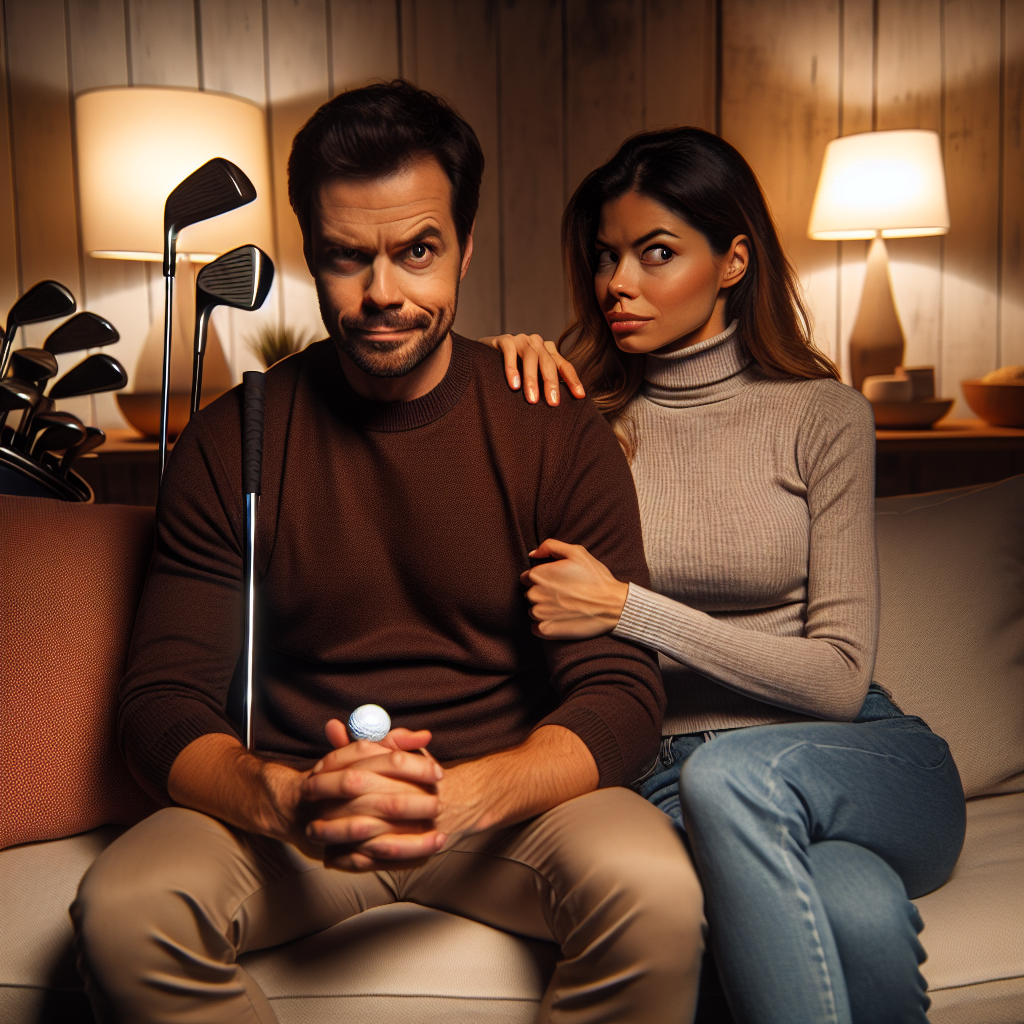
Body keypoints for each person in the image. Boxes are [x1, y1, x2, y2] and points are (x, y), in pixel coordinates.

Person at [71, 84, 705, 1024]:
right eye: (346, 257)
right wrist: (283, 797)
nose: (382, 295)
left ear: (464, 248)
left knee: (657, 894)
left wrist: (466, 796)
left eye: (417, 252)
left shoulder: (551, 425)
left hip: (508, 810)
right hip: (299, 814)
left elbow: (620, 694)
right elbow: (161, 706)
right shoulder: (229, 439)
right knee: (125, 913)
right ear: (309, 256)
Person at [481, 127, 966, 1024]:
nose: (617, 283)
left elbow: (834, 678)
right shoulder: (579, 420)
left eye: (655, 253)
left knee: (734, 774)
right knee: (856, 909)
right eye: (606, 256)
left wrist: (630, 609)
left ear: (733, 258)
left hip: (857, 752)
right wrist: (498, 387)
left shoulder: (823, 417)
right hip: (665, 773)